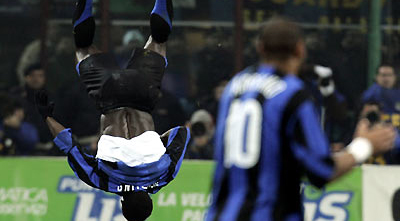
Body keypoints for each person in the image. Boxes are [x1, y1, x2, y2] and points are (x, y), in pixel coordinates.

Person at [205, 17, 396, 221]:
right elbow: (322, 170)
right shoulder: (293, 94)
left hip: (220, 215)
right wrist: (364, 145)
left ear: (260, 48)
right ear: (300, 49)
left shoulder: (235, 86)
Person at [35, 1, 190, 221]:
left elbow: (181, 133)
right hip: (108, 95)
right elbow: (68, 144)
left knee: (158, 40)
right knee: (82, 46)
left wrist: (157, 141)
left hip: (142, 93)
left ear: (150, 198)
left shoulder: (165, 174)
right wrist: (46, 116)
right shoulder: (103, 181)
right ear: (122, 202)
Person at [362, 64, 400, 129]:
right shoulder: (373, 92)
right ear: (376, 77)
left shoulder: (397, 92)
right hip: (380, 132)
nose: (386, 78)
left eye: (389, 75)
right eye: (383, 75)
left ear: (394, 77)